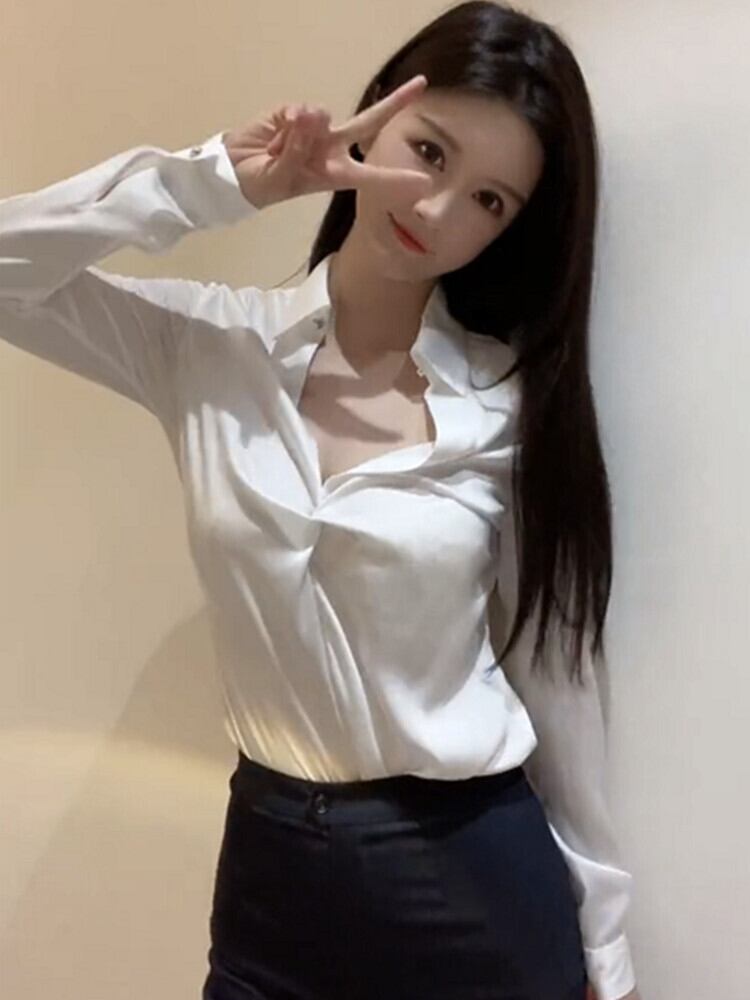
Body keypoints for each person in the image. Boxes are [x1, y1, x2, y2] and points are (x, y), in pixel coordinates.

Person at [0, 2, 641, 999]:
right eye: (428, 152)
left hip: (471, 878)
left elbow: (557, 681)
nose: (438, 209)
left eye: (489, 200)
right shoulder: (209, 348)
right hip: (270, 875)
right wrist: (220, 183)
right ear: (374, 117)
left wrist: (605, 942)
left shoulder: (508, 406)